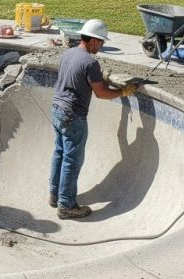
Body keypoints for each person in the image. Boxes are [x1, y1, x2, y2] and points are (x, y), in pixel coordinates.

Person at [49, 20, 137, 219]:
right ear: (93, 40)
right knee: (72, 161)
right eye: (101, 42)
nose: (102, 46)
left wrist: (101, 75)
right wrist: (123, 91)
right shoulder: (90, 63)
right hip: (73, 115)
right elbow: (101, 93)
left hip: (56, 109)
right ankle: (66, 206)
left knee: (59, 153)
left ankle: (55, 195)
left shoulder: (69, 53)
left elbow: (78, 76)